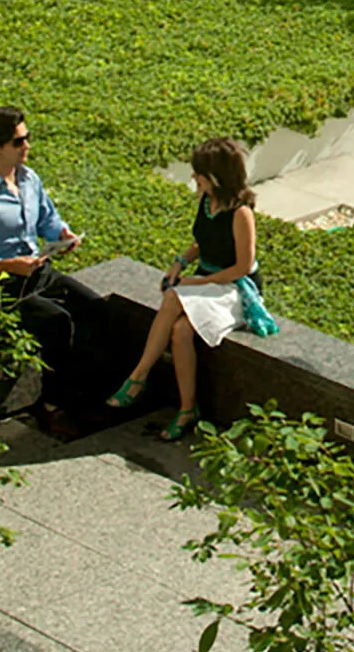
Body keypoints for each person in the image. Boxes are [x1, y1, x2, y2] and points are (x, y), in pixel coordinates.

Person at [0, 104, 108, 434]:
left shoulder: (29, 179)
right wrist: (8, 265)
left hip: (39, 271)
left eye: (28, 139)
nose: (27, 147)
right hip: (2, 284)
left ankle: (89, 392)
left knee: (95, 309)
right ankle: (51, 403)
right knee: (57, 323)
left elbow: (47, 220)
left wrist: (62, 235)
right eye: (19, 142)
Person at [104, 138, 265, 441]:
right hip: (208, 281)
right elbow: (203, 241)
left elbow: (243, 267)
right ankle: (188, 408)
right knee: (180, 331)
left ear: (213, 177)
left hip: (234, 288)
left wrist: (196, 282)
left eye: (198, 174)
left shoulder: (241, 213)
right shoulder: (207, 202)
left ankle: (138, 376)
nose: (195, 178)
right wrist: (180, 263)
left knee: (173, 296)